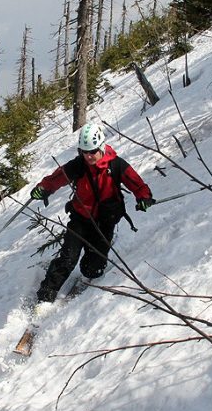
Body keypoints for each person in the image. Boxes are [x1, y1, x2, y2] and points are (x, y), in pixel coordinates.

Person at [30, 122, 154, 303]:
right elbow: (57, 177)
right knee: (67, 258)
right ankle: (45, 296)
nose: (88, 156)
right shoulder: (79, 165)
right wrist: (43, 188)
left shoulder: (116, 165)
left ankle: (89, 272)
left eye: (92, 151)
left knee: (92, 268)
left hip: (105, 221)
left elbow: (136, 183)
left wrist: (144, 197)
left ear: (101, 146)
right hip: (80, 219)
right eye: (84, 151)